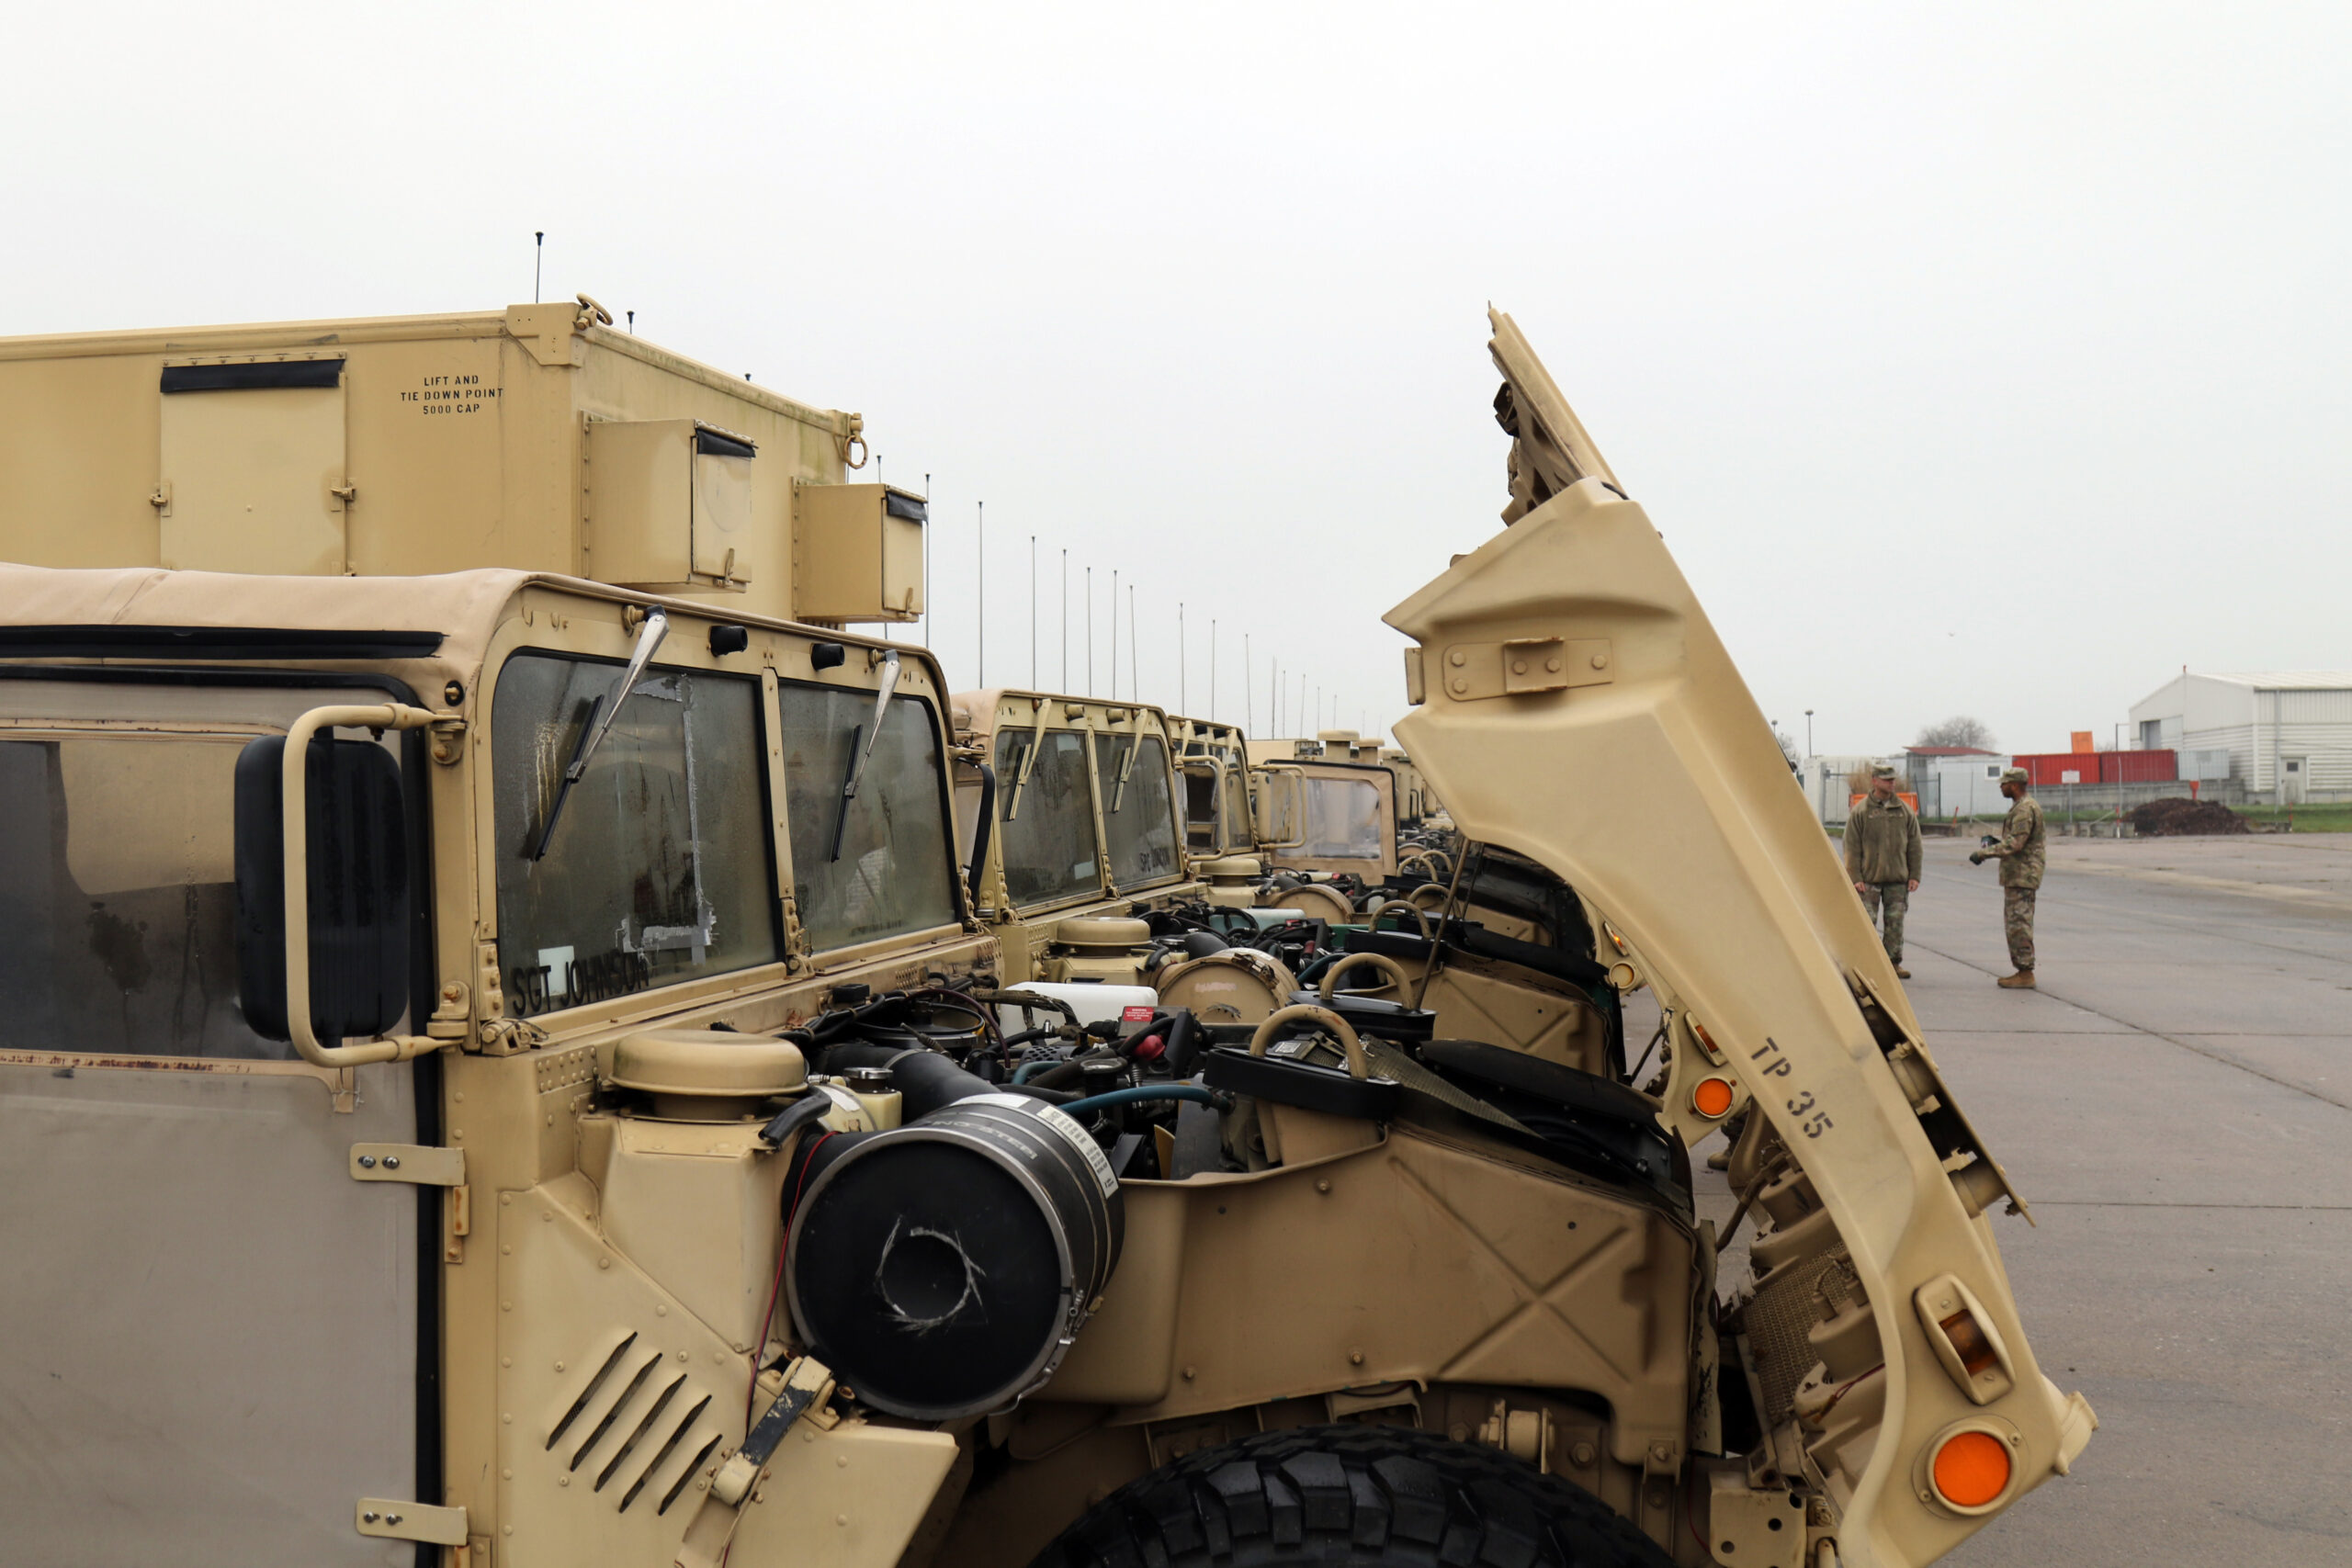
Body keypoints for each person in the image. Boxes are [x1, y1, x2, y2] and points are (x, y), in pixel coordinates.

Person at [1970, 767, 2045, 988]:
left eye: (2004, 783)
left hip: (2022, 875)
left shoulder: (2024, 809)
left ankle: (2025, 972)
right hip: (2018, 874)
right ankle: (2022, 969)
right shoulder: (2021, 808)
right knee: (2015, 922)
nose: (2001, 787)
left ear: (2014, 784)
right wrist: (1995, 843)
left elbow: (2016, 843)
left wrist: (1984, 853)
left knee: (2018, 924)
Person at [1846, 764, 1923, 977]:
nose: (1891, 783)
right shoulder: (1861, 811)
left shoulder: (1904, 811)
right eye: (1887, 779)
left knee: (1895, 923)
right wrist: (1855, 877)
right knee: (1867, 923)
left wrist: (1915, 874)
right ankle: (1866, 963)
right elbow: (1851, 847)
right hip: (1869, 879)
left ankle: (1893, 963)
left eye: (1892, 779)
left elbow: (1915, 845)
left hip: (1897, 879)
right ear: (1875, 781)